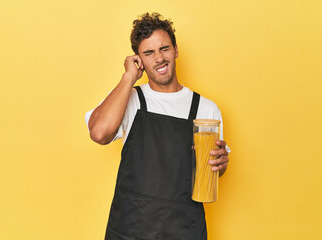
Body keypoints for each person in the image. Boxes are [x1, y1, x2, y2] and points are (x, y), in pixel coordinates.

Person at [85, 12, 231, 240]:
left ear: (176, 50)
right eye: (149, 53)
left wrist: (220, 164)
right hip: (129, 230)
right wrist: (128, 77)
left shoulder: (205, 108)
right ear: (138, 60)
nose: (159, 58)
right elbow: (100, 133)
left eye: (164, 49)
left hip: (184, 230)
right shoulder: (128, 98)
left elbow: (213, 171)